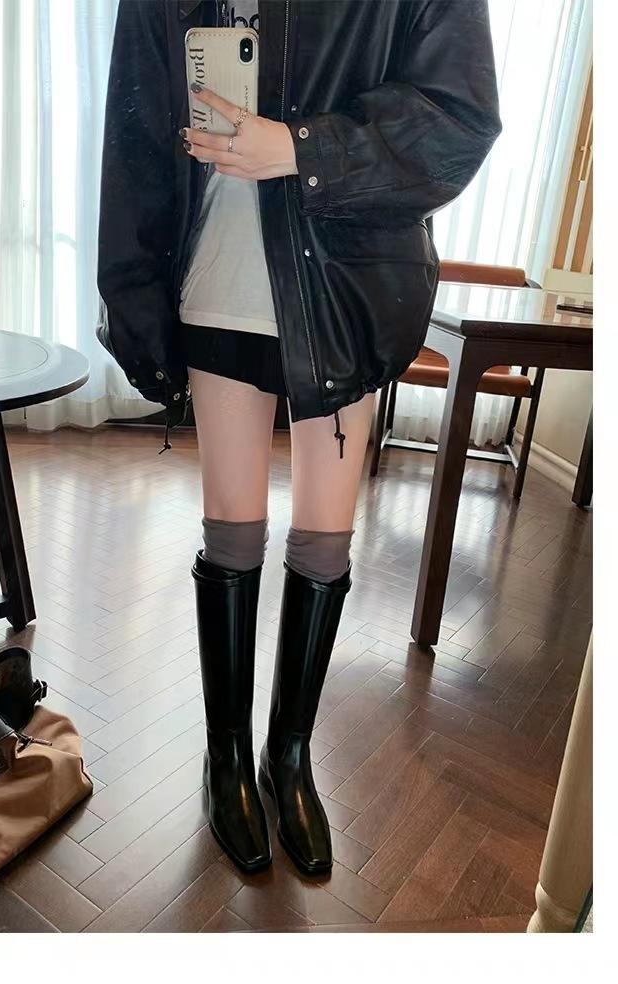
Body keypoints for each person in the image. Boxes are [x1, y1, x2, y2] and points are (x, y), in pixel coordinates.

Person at [97, 0, 501, 875]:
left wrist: (302, 148)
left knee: (324, 543)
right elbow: (132, 136)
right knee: (231, 536)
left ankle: (289, 757)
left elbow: (458, 119)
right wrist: (129, 290)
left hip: (346, 286)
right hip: (214, 276)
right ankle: (226, 760)